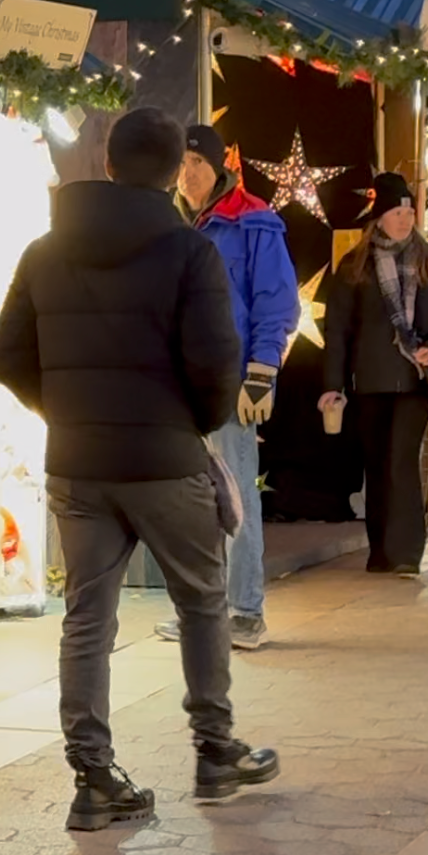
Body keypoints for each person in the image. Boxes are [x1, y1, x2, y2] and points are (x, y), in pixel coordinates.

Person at [0, 107, 278, 832]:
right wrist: (194, 423)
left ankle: (93, 777)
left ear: (109, 163)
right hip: (164, 459)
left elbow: (5, 356)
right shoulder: (189, 252)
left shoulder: (45, 250)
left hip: (78, 464)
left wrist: (63, 409)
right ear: (173, 167)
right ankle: (215, 753)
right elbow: (216, 364)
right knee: (202, 602)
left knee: (87, 617)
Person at [160, 123, 297, 652]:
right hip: (173, 386)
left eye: (197, 162)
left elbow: (276, 303)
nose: (187, 173)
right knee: (185, 501)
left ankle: (245, 611)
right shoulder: (165, 222)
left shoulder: (254, 222)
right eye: (181, 163)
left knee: (235, 496)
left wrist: (261, 374)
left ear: (219, 166)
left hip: (228, 382)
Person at [319, 174, 428, 576]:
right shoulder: (353, 266)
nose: (405, 218)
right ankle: (380, 551)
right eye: (397, 211)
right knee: (376, 463)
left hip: (416, 381)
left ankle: (407, 553)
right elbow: (338, 329)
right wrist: (332, 385)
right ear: (378, 217)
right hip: (370, 379)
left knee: (402, 460)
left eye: (410, 211)